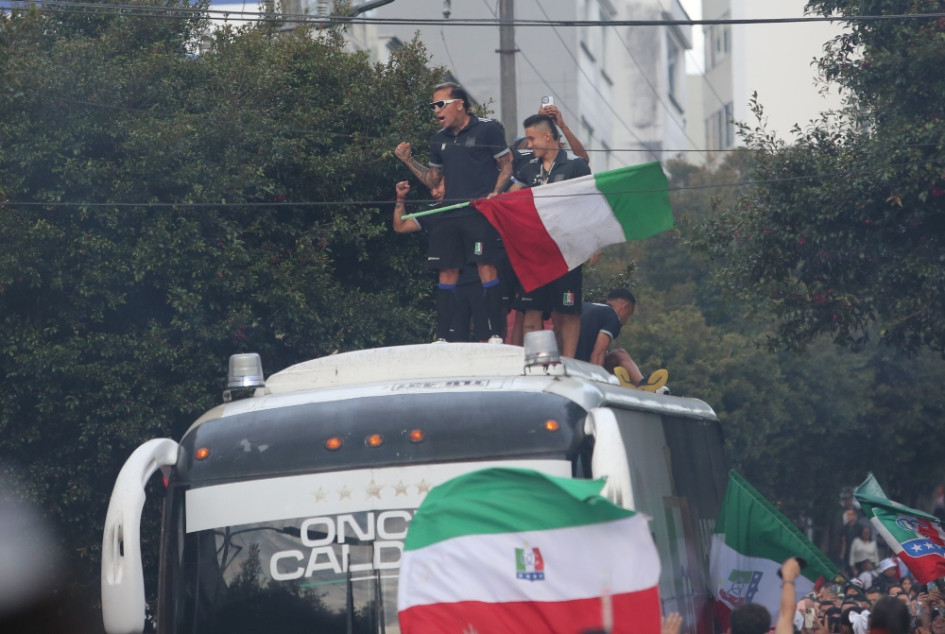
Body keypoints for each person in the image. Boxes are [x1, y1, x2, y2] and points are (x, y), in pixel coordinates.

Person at [394, 82, 513, 342]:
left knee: (486, 267)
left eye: (441, 104)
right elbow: (434, 181)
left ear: (459, 104)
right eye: (433, 106)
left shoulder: (487, 129)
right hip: (450, 212)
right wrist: (408, 160)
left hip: (478, 210)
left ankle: (495, 333)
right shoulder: (439, 139)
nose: (436, 110)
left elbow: (506, 164)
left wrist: (496, 192)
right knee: (446, 271)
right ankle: (442, 336)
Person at [506, 113, 591, 357]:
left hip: (566, 251)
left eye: (532, 139)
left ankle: (568, 361)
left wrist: (594, 244)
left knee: (567, 310)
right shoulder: (528, 168)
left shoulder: (575, 165)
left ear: (547, 136)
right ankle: (535, 358)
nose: (529, 145)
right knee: (531, 309)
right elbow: (512, 196)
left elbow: (590, 207)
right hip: (535, 252)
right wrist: (496, 200)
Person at [393, 180, 489, 342]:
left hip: (480, 282)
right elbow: (400, 226)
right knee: (454, 342)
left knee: (488, 340)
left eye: (438, 187)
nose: (434, 192)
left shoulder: (472, 203)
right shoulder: (434, 211)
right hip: (452, 287)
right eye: (431, 188)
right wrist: (400, 198)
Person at [574, 287, 667, 391]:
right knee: (620, 353)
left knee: (611, 356)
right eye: (628, 315)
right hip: (581, 368)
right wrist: (596, 384)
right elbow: (598, 353)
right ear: (624, 307)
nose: (626, 321)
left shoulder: (585, 306)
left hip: (564, 361)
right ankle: (643, 384)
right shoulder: (612, 315)